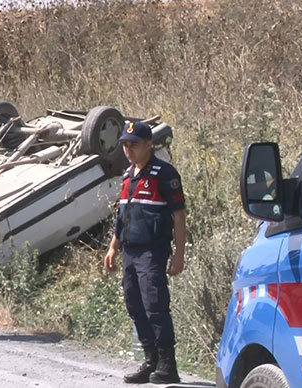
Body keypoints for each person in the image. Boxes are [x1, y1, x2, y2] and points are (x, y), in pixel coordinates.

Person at [103, 121, 186, 384]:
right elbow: (122, 216)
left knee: (155, 306)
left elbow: (179, 216)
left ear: (149, 144)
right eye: (125, 145)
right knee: (134, 305)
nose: (129, 150)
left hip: (153, 250)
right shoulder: (128, 176)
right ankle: (150, 361)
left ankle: (167, 364)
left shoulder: (164, 174)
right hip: (130, 251)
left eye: (134, 144)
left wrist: (179, 254)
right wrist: (113, 247)